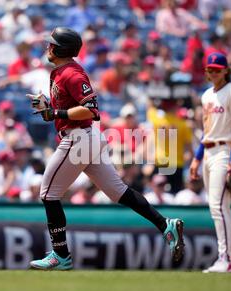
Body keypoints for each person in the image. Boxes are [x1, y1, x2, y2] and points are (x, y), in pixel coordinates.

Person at [26, 27, 184, 270]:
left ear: (61, 49)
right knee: (118, 192)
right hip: (85, 138)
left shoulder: (71, 73)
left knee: (48, 194)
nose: (48, 47)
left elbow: (91, 110)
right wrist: (49, 109)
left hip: (79, 138)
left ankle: (61, 254)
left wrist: (55, 112)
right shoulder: (60, 72)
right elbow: (64, 112)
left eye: (52, 44)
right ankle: (165, 225)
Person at [189, 52, 231, 273]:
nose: (213, 73)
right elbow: (207, 131)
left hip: (225, 151)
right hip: (208, 152)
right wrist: (196, 158)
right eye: (210, 69)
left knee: (219, 207)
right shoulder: (205, 96)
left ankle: (228, 261)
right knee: (217, 207)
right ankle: (226, 259)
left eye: (217, 69)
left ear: (226, 70)